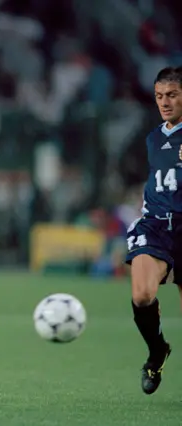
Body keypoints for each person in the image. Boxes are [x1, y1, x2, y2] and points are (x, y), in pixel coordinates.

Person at [125, 66, 182, 395]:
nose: (165, 102)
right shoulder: (152, 137)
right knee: (143, 294)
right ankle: (157, 350)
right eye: (160, 96)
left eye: (172, 95)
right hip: (157, 225)